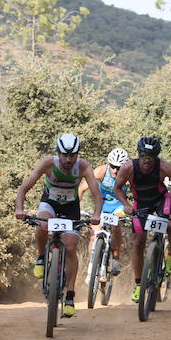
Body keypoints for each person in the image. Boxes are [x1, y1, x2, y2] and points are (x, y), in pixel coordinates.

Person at [14, 133, 102, 318]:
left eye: (73, 155)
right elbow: (24, 187)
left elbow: (96, 193)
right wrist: (19, 209)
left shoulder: (83, 166)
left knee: (70, 247)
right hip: (50, 203)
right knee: (42, 223)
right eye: (65, 155)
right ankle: (40, 258)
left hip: (71, 208)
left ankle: (69, 296)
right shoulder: (48, 164)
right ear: (58, 153)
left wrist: (96, 214)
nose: (69, 159)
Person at [112, 137, 171, 303]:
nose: (146, 160)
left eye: (151, 157)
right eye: (143, 155)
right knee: (138, 242)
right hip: (140, 203)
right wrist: (125, 204)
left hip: (162, 200)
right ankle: (139, 284)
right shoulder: (128, 168)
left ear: (156, 157)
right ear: (138, 154)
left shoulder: (164, 167)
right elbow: (117, 188)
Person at [78, 147, 130, 275]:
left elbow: (139, 192)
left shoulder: (129, 177)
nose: (115, 170)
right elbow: (82, 188)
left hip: (118, 205)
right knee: (94, 235)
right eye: (112, 166)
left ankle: (116, 258)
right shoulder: (101, 171)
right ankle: (92, 263)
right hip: (101, 205)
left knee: (116, 224)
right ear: (108, 164)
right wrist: (76, 207)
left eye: (119, 168)